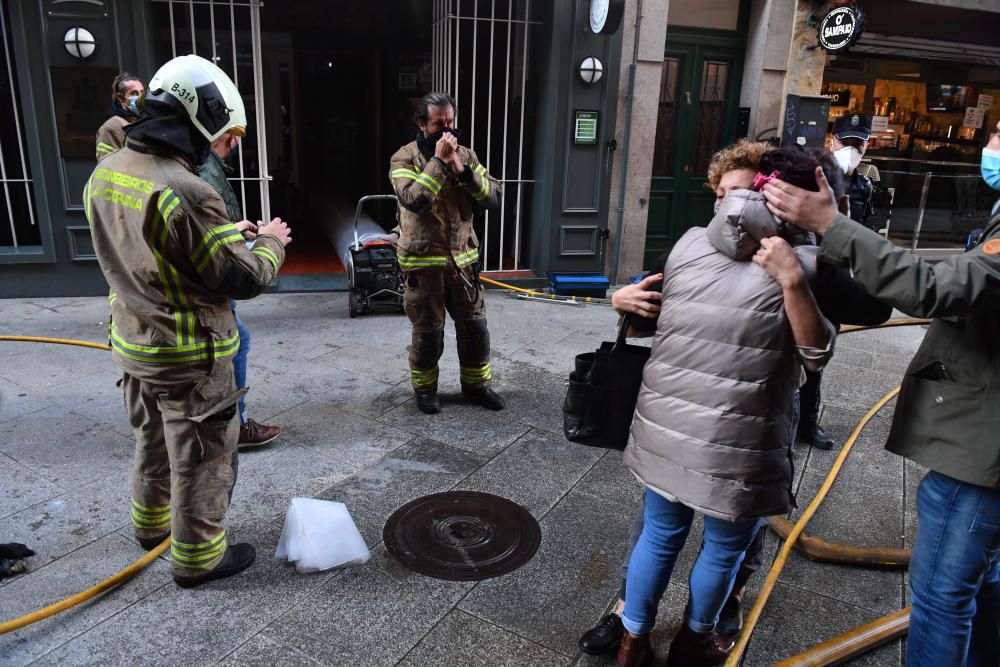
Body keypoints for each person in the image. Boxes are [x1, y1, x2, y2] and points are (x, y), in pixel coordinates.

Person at [579, 142, 891, 660]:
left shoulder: (686, 244)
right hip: (741, 439)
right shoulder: (808, 264)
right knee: (721, 545)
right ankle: (692, 638)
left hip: (668, 428)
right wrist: (622, 299)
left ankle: (634, 636)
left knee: (661, 532)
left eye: (738, 191)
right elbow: (820, 354)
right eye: (722, 193)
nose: (728, 202)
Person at [761, 138, 1000, 667]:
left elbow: (928, 289)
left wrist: (832, 228)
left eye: (998, 136)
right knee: (983, 581)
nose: (988, 145)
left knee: (941, 597)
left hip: (985, 461)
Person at [85, 54, 291, 588]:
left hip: (134, 344)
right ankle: (199, 559)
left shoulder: (106, 173)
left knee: (150, 439)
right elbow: (243, 278)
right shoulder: (189, 190)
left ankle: (150, 527)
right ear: (196, 121)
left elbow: (156, 247)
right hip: (188, 356)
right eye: (220, 132)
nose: (221, 143)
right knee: (202, 456)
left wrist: (222, 233)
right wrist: (270, 239)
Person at [389, 92, 504, 414]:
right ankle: (425, 391)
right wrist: (440, 162)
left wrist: (463, 170)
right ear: (422, 124)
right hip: (422, 266)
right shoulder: (403, 158)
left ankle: (478, 387)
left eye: (451, 122)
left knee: (475, 331)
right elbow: (414, 200)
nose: (447, 130)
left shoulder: (466, 155)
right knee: (428, 336)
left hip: (463, 263)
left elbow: (493, 197)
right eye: (439, 124)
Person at [196, 133, 282, 450]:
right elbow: (247, 279)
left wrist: (231, 230)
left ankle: (234, 423)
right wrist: (270, 241)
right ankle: (235, 426)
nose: (234, 143)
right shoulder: (198, 172)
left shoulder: (195, 167)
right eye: (229, 134)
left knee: (237, 339)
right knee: (234, 342)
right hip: (185, 313)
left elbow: (198, 233)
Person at [96, 72, 143, 161]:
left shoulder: (142, 120)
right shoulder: (111, 128)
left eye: (142, 92)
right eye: (134, 93)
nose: (140, 97)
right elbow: (107, 165)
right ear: (120, 97)